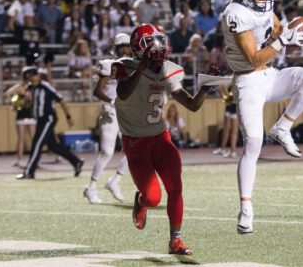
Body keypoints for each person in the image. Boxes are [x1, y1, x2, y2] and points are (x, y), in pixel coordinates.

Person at [221, 0, 303, 234]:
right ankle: (246, 208)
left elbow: (277, 28)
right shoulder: (235, 13)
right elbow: (254, 58)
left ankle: (283, 126)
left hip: (269, 75)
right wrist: (281, 42)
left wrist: (292, 34)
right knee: (253, 143)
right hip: (248, 80)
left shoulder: (260, 4)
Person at [113, 24, 211, 255]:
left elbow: (193, 106)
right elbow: (123, 92)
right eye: (150, 45)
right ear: (137, 48)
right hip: (135, 142)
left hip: (160, 138)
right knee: (154, 198)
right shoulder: (124, 66)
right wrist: (142, 68)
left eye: (159, 43)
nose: (157, 49)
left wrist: (206, 88)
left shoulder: (171, 70)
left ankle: (175, 240)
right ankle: (142, 201)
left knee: (176, 188)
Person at [84, 34, 132, 204]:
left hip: (126, 113)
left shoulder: (133, 65)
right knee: (107, 152)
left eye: (127, 45)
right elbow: (97, 91)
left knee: (133, 151)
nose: (125, 49)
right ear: (116, 48)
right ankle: (91, 187)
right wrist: (112, 102)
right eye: (122, 46)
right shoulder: (109, 65)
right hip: (110, 111)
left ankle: (115, 181)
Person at [17, 67, 84, 180]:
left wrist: (68, 117)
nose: (30, 79)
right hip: (40, 119)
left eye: (30, 76)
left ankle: (29, 171)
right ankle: (76, 162)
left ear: (36, 75)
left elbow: (61, 100)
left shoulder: (45, 86)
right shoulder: (31, 88)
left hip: (48, 119)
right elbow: (29, 102)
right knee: (53, 146)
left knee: (37, 144)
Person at [4, 67, 37, 168]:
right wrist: (15, 102)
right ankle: (22, 160)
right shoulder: (21, 87)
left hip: (29, 114)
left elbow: (31, 98)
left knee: (31, 139)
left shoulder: (31, 87)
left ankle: (31, 159)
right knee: (23, 138)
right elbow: (8, 93)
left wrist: (20, 97)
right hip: (23, 114)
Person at [214, 82, 238, 158]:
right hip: (230, 105)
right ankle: (223, 149)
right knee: (226, 129)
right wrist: (222, 91)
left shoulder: (237, 79)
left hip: (235, 106)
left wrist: (224, 89)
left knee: (234, 131)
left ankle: (233, 151)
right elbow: (227, 100)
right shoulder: (231, 77)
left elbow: (233, 98)